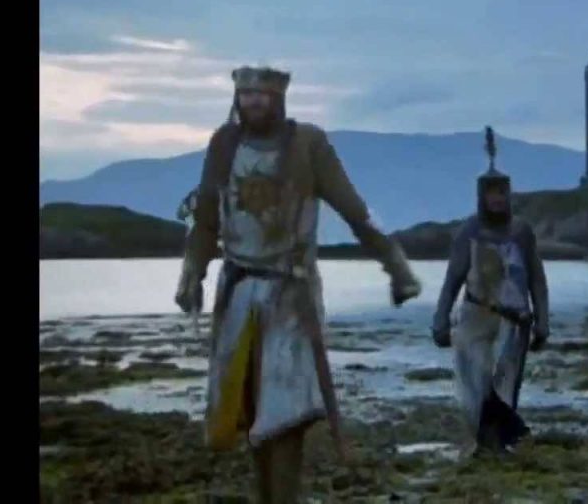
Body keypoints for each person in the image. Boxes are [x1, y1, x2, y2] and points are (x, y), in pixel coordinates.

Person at [174, 65, 421, 503]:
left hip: (291, 295)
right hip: (238, 292)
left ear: (279, 97)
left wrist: (396, 267)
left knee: (285, 413)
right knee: (251, 409)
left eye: (261, 93)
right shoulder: (224, 144)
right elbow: (206, 216)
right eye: (245, 93)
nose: (253, 101)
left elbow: (355, 210)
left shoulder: (309, 144)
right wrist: (192, 273)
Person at [432, 127, 550, 455]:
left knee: (505, 386)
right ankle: (491, 442)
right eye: (492, 193)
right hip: (476, 317)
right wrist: (441, 319)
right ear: (482, 196)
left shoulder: (521, 232)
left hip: (515, 322)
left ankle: (499, 445)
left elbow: (537, 280)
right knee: (477, 384)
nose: (498, 199)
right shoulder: (468, 232)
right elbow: (453, 279)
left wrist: (543, 321)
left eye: (502, 192)